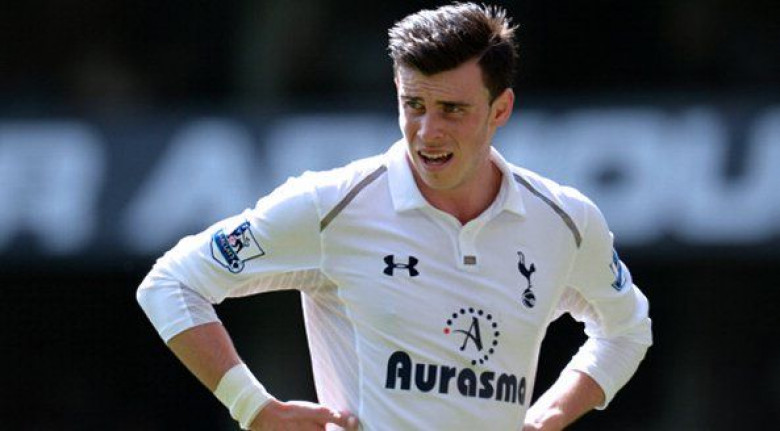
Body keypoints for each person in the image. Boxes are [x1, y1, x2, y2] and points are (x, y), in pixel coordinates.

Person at [137, 3, 652, 430]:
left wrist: (551, 415)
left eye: (452, 110)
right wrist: (253, 407)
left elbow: (626, 330)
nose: (428, 132)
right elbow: (171, 283)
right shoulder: (332, 205)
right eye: (414, 105)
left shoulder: (565, 221)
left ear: (500, 109)